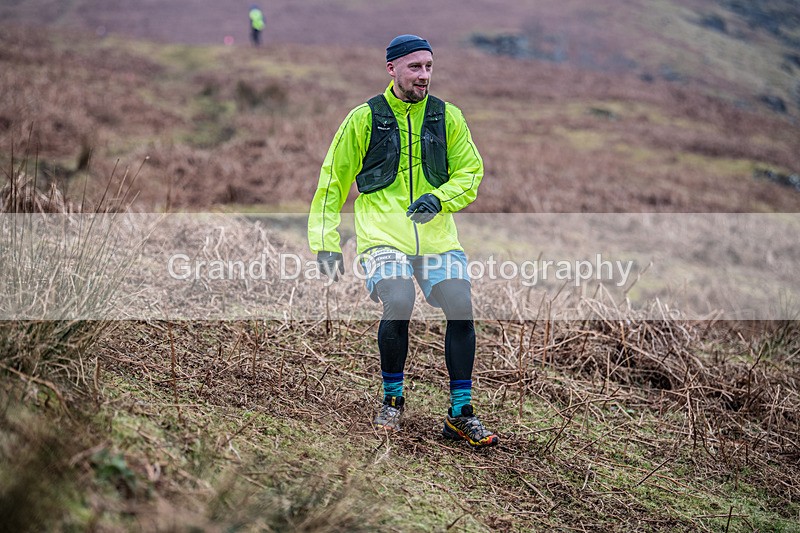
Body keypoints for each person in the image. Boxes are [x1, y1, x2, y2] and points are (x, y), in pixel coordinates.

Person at [308, 35, 498, 448]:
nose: (424, 75)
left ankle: (460, 413)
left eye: (429, 67)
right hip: (381, 235)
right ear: (391, 68)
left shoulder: (448, 117)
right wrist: (324, 241)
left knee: (461, 307)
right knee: (398, 299)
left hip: (436, 238)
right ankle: (392, 402)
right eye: (415, 67)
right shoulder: (364, 118)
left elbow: (471, 173)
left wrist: (439, 197)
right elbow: (332, 182)